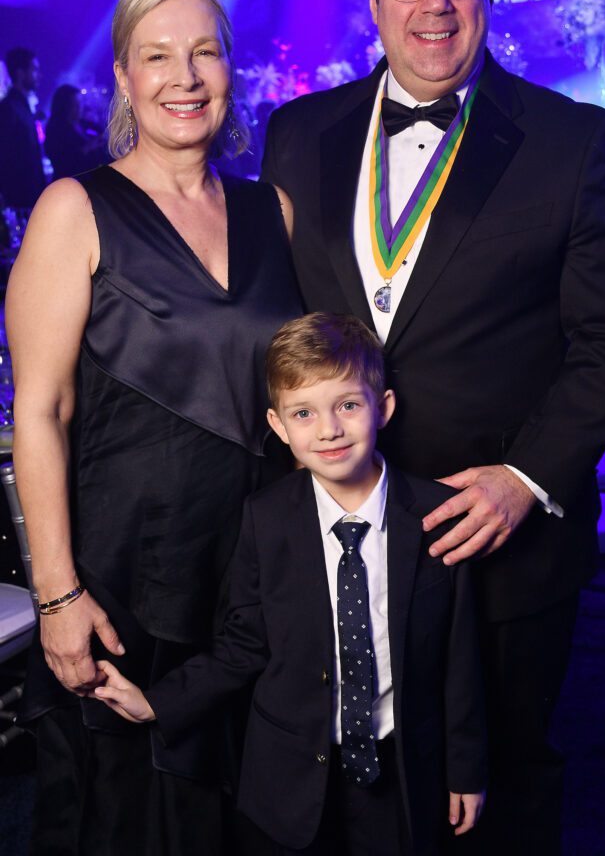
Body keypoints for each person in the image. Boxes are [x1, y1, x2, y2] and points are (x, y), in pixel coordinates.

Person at [261, 0, 605, 855]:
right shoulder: (298, 133)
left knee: (505, 792)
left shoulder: (568, 140)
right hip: (336, 540)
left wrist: (526, 478)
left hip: (493, 544)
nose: (433, 2)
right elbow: (267, 323)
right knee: (346, 791)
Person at [6, 0, 301, 855]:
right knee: (125, 821)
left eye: (205, 52)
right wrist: (57, 594)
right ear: (124, 79)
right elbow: (39, 414)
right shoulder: (75, 208)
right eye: (158, 56)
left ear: (230, 70)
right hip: (124, 580)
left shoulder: (270, 211)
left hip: (251, 580)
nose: (185, 76)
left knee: (245, 814)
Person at [93, 312, 487, 856]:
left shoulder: (437, 516)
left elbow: (461, 656)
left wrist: (466, 768)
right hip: (291, 780)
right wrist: (159, 703)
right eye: (304, 413)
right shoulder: (266, 519)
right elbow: (243, 643)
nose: (328, 429)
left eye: (348, 405)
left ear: (384, 408)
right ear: (279, 427)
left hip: (399, 772)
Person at [0, 46, 45, 207]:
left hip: (30, 194)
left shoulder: (22, 106)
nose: (39, 75)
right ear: (20, 73)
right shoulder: (8, 108)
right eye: (34, 69)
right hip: (19, 197)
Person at [44, 84, 107, 179]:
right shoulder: (56, 130)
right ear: (65, 106)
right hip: (69, 184)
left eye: (80, 103)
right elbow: (64, 161)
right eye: (75, 104)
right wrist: (89, 147)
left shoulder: (81, 124)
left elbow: (102, 132)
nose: (80, 108)